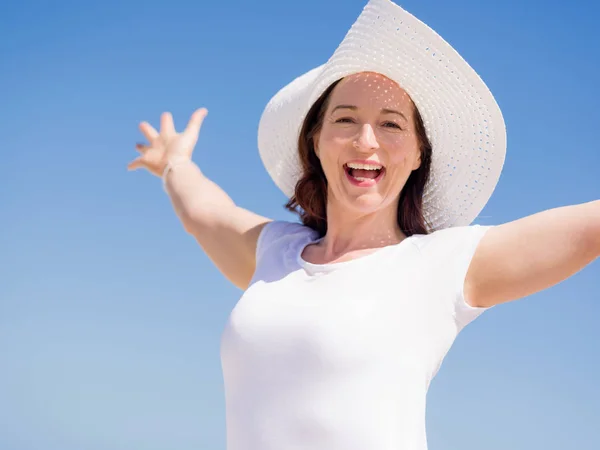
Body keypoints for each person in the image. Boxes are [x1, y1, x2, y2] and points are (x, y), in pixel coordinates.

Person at [127, 0, 600, 449]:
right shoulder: (273, 255)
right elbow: (205, 212)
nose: (366, 140)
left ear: (418, 153)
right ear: (315, 140)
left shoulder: (440, 265)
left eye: (392, 124)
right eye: (345, 119)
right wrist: (175, 163)